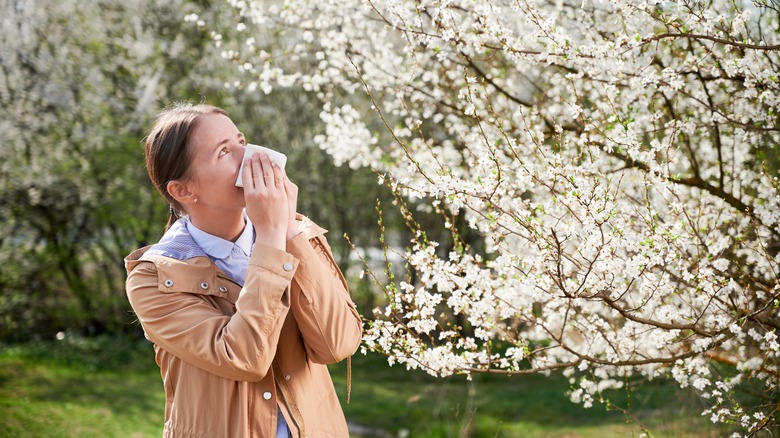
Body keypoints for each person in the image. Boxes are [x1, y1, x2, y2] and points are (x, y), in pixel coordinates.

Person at [124, 103, 362, 437]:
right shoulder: (154, 279)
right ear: (183, 190)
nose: (250, 156)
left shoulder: (295, 234)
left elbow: (337, 344)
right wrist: (270, 239)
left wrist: (288, 233)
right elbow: (244, 358)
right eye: (224, 152)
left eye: (241, 141)